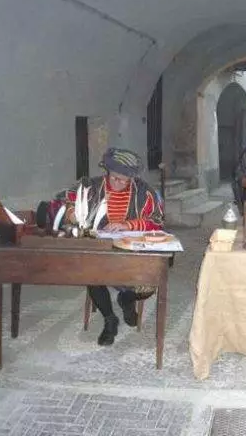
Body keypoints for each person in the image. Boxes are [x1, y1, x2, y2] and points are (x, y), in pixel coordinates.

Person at [55, 147, 164, 346]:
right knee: (91, 274)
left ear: (132, 178)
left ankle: (127, 300)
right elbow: (64, 201)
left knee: (147, 285)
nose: (118, 183)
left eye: (124, 180)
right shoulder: (91, 187)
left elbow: (156, 221)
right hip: (99, 250)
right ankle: (109, 319)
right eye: (114, 178)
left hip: (131, 252)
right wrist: (71, 212)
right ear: (107, 171)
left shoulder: (144, 192)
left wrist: (128, 225)